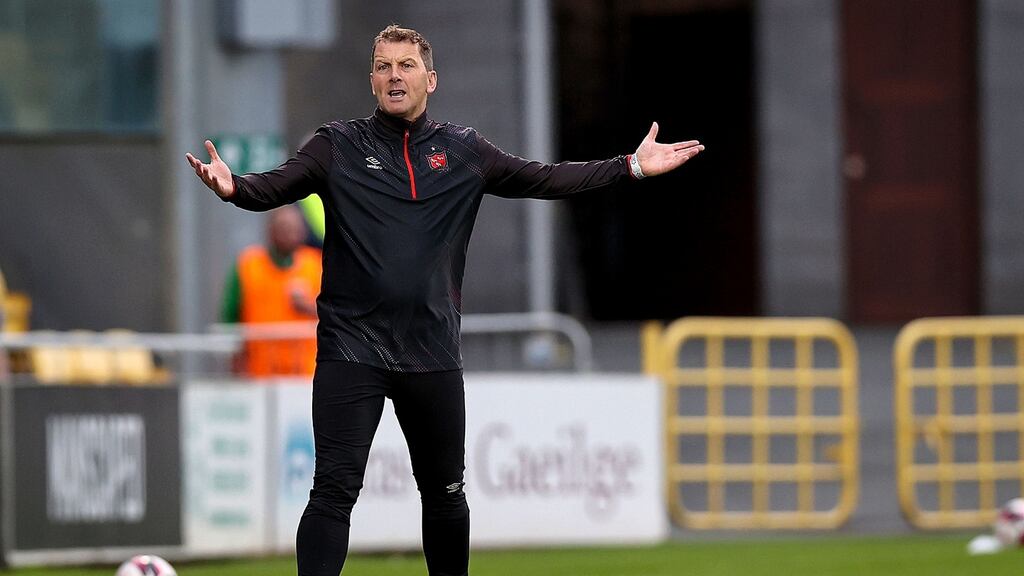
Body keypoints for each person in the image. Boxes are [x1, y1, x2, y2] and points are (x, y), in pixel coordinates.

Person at [187, 24, 703, 576]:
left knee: (446, 495)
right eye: (383, 66)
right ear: (371, 79)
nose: (394, 75)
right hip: (350, 349)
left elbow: (545, 178)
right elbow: (276, 186)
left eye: (406, 65)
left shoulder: (463, 151)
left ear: (430, 79)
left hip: (431, 353)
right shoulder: (336, 145)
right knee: (333, 493)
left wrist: (629, 166)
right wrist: (233, 186)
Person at [221, 205, 322, 377]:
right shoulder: (248, 265)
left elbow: (337, 313)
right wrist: (235, 360)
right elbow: (230, 316)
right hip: (260, 373)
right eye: (283, 229)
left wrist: (308, 307)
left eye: (295, 229)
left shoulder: (315, 264)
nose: (290, 235)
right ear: (270, 231)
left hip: (306, 373)